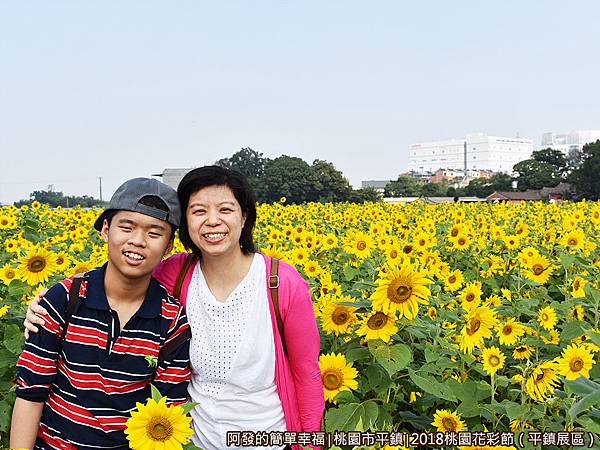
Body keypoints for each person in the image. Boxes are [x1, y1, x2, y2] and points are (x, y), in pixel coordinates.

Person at [24, 166, 324, 450]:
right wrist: (48, 300)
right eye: (198, 211)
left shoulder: (280, 283)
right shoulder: (175, 273)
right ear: (185, 224)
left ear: (244, 217)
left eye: (225, 209)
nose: (212, 221)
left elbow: (306, 373)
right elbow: (120, 272)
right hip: (195, 439)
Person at [13, 178, 191, 450]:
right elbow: (30, 393)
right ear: (106, 230)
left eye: (154, 233)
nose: (138, 241)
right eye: (126, 227)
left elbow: (168, 413)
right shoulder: (65, 299)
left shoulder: (171, 320)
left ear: (168, 247)